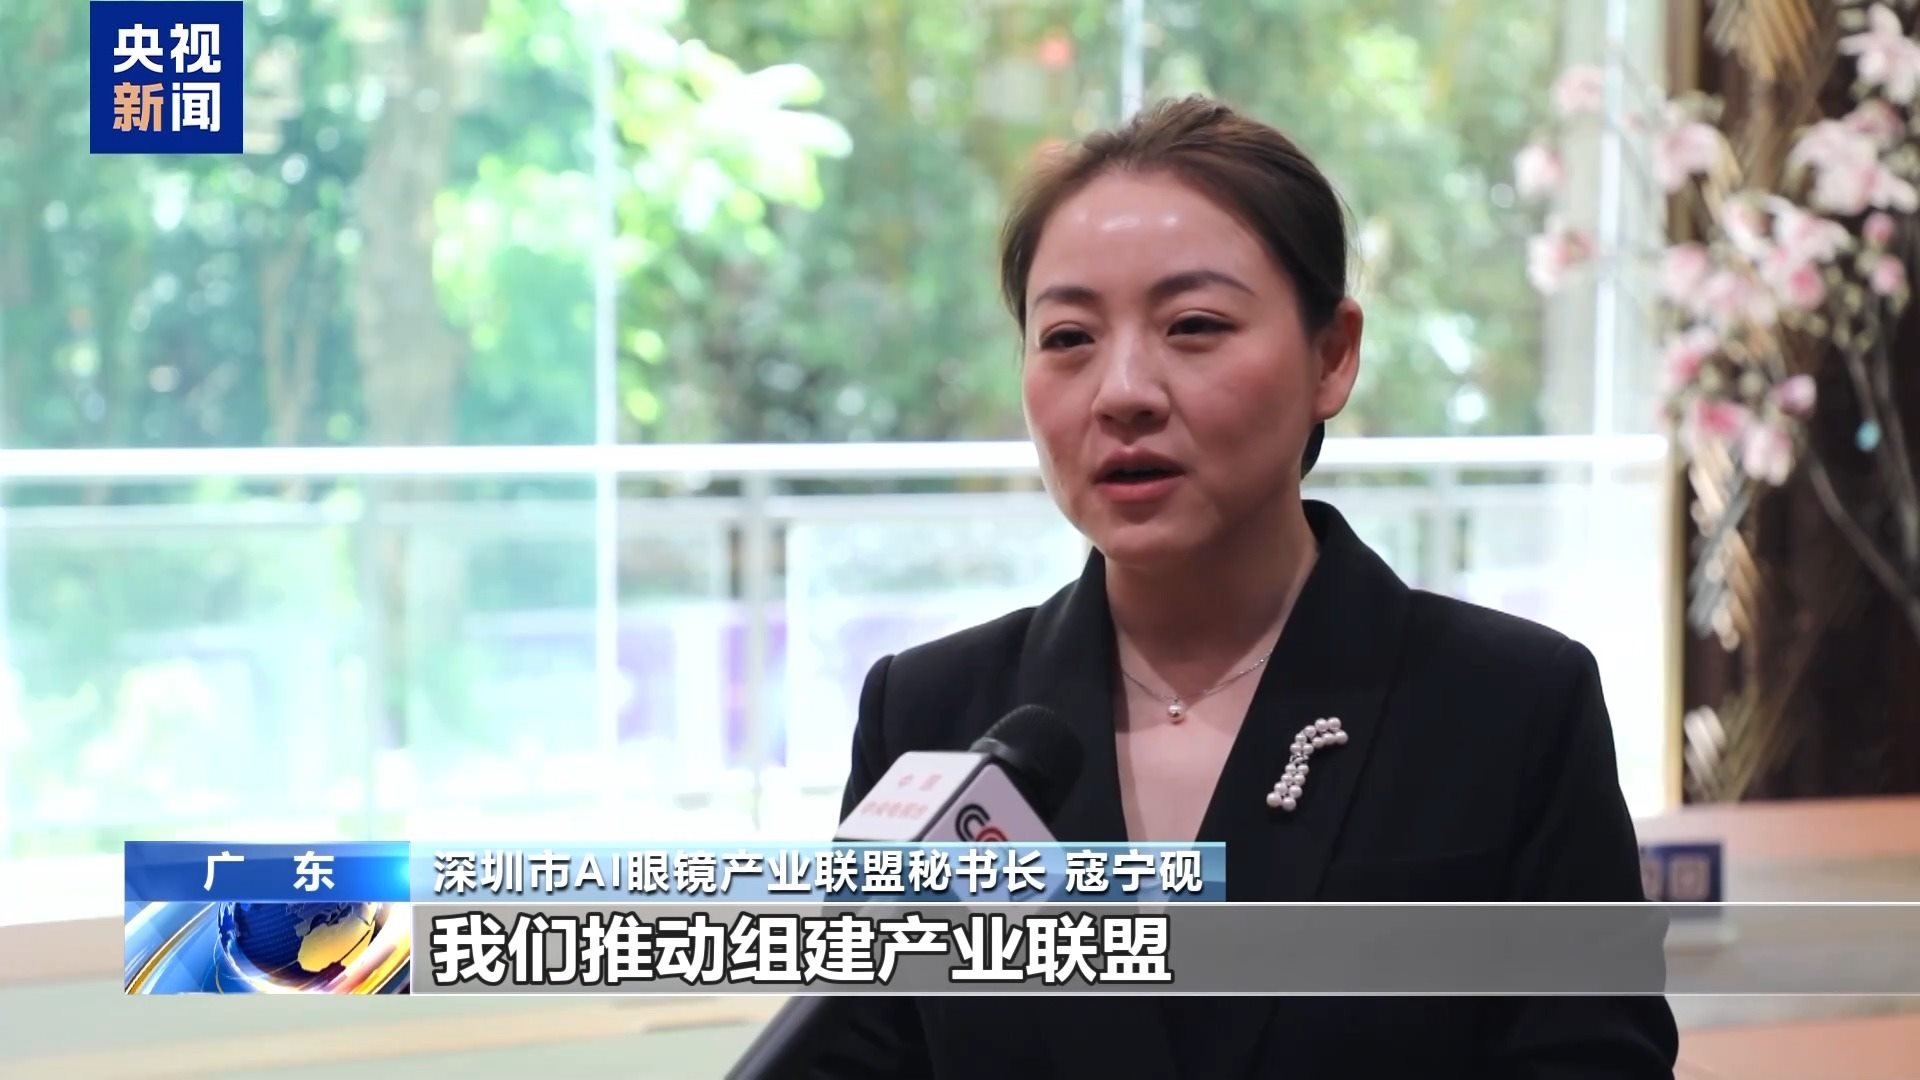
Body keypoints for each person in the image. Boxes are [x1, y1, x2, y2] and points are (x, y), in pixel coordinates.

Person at [818, 96, 1678, 1079]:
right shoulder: (930, 716)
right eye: (1068, 338)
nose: (1123, 392)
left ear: (1332, 356)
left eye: (1194, 325)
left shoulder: (1509, 706)